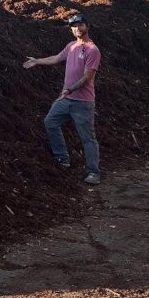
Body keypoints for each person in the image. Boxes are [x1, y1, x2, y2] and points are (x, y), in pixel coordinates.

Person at [23, 13, 102, 184]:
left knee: (87, 137)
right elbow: (56, 58)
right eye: (73, 26)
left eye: (80, 25)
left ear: (87, 26)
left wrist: (69, 89)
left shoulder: (92, 50)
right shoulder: (71, 46)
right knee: (50, 122)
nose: (76, 28)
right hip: (66, 99)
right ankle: (62, 159)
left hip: (83, 102)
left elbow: (87, 77)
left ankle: (93, 172)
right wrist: (37, 61)